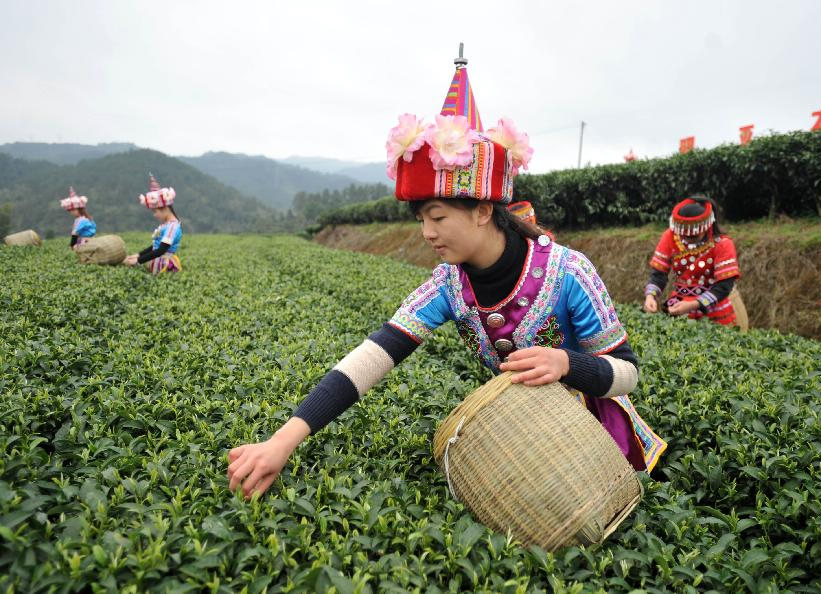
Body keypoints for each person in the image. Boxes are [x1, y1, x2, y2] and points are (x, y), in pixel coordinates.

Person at [227, 54, 666, 498]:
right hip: (524, 432)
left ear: (481, 210)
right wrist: (282, 442)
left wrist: (568, 363)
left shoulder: (569, 271)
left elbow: (627, 373)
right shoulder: (448, 284)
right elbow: (377, 354)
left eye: (436, 217)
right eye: (421, 219)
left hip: (595, 437)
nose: (427, 233)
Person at [643, 195, 741, 325]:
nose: (687, 238)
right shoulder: (670, 236)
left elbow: (724, 286)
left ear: (706, 227)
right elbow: (659, 274)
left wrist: (693, 305)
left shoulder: (722, 244)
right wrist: (650, 297)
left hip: (714, 311)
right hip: (678, 306)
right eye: (683, 235)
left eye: (693, 236)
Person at [123, 174, 183, 273]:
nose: (155, 215)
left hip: (164, 265)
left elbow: (161, 250)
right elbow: (155, 247)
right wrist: (138, 255)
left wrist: (137, 261)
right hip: (158, 262)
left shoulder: (172, 227)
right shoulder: (166, 225)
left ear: (165, 208)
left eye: (155, 212)